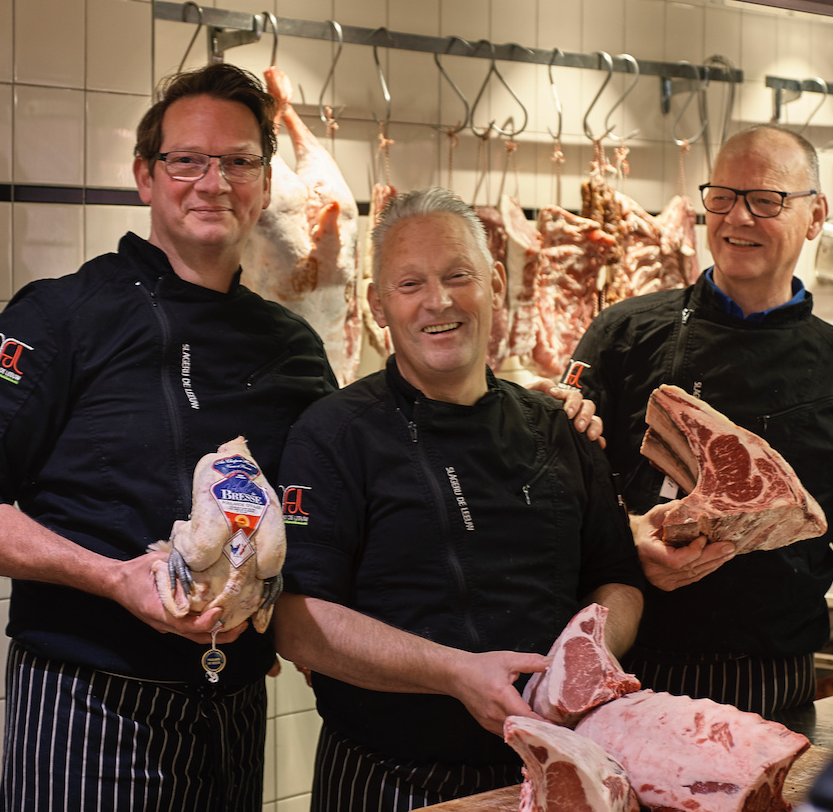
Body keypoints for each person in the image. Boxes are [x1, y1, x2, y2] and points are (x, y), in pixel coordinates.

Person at [0, 64, 338, 811]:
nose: (214, 182)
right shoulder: (63, 316)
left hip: (231, 706)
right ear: (145, 176)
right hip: (88, 699)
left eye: (238, 162)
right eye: (187, 160)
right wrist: (112, 578)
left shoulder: (293, 346)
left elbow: (318, 507)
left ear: (262, 181)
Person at [273, 187, 645, 812]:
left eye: (458, 276)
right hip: (388, 779)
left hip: (554, 769)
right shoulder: (332, 434)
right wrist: (452, 672)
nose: (438, 302)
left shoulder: (558, 427)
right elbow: (297, 621)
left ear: (496, 282)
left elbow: (618, 580)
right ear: (377, 304)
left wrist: (588, 655)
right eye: (410, 284)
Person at [563, 122, 833, 717]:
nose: (737, 218)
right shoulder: (624, 335)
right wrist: (628, 539)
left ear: (815, 217)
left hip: (771, 684)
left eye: (765, 200)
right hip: (625, 669)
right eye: (723, 197)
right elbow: (557, 500)